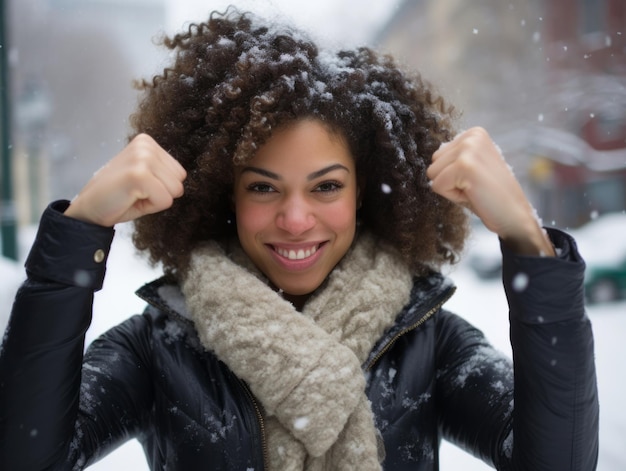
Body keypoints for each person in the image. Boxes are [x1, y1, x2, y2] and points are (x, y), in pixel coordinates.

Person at [0, 8, 598, 471]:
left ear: (362, 192)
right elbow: (29, 456)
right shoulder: (160, 343)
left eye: (325, 187)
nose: (294, 220)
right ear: (223, 196)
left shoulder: (427, 341)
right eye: (263, 188)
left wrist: (525, 238)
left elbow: (557, 461)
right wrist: (80, 232)